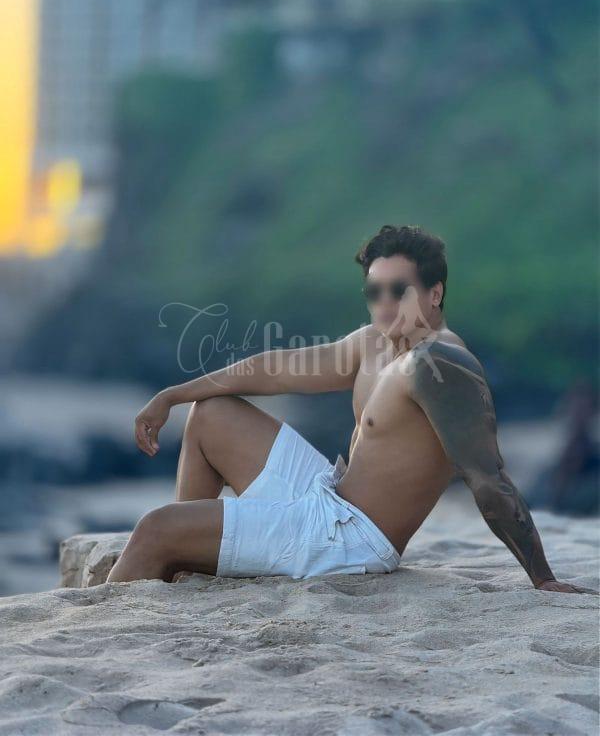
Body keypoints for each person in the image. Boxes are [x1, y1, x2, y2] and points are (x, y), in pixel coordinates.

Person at [106, 224, 597, 594]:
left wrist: (542, 577)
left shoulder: (441, 365)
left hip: (352, 539)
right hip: (326, 495)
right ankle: (188, 561)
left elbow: (488, 477)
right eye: (374, 291)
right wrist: (173, 394)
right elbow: (276, 370)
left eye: (398, 290)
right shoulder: (374, 343)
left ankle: (165, 558)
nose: (384, 303)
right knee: (210, 413)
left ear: (435, 293)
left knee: (155, 528)